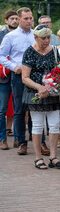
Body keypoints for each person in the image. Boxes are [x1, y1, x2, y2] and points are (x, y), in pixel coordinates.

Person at [0, 7, 49, 155]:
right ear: (19, 19)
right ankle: (22, 143)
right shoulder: (10, 36)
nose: (29, 21)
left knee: (37, 109)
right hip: (19, 76)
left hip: (37, 77)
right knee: (20, 111)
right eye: (26, 18)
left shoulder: (37, 35)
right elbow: (1, 55)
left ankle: (40, 142)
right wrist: (13, 66)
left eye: (31, 18)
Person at [21, 25, 60, 169]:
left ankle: (53, 157)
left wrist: (55, 85)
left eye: (48, 37)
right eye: (43, 38)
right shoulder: (29, 52)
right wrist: (39, 87)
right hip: (35, 93)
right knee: (38, 126)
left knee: (54, 125)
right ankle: (38, 157)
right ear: (35, 38)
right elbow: (25, 77)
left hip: (52, 93)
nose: (46, 41)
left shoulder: (55, 51)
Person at [0, 10, 18, 150]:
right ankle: (2, 139)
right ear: (6, 20)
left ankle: (19, 139)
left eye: (16, 18)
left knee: (20, 109)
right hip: (3, 78)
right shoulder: (0, 35)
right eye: (12, 18)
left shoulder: (22, 35)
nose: (15, 21)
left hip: (20, 76)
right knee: (2, 110)